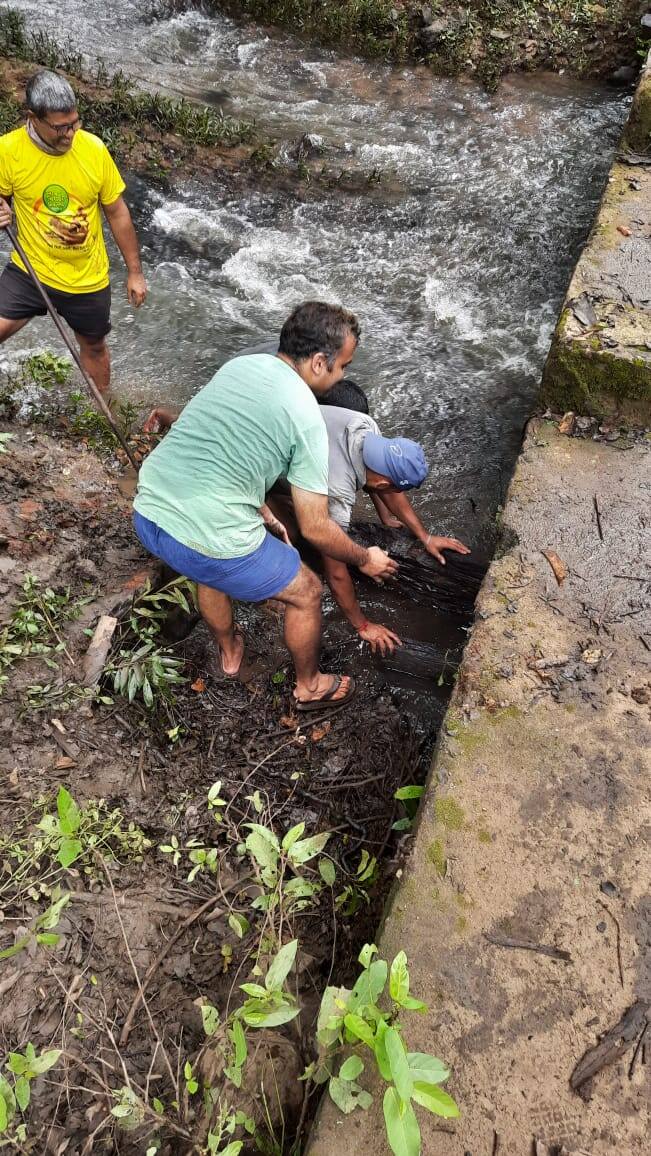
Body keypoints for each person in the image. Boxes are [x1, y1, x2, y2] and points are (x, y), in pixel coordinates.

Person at [133, 301, 398, 710]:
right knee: (307, 590)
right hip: (205, 540)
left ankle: (229, 652)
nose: (344, 375)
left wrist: (261, 506)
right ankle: (309, 686)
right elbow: (315, 527)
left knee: (211, 567)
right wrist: (365, 558)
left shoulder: (240, 367)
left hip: (148, 514)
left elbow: (217, 438)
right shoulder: (306, 416)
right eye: (343, 366)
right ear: (318, 363)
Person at [0, 70, 147, 398]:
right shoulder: (8, 151)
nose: (70, 134)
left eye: (75, 123)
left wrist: (135, 273)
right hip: (30, 268)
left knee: (94, 346)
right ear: (33, 118)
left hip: (86, 278)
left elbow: (117, 212)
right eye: (60, 127)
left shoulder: (93, 150)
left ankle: (100, 413)